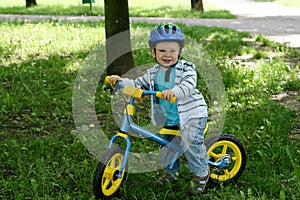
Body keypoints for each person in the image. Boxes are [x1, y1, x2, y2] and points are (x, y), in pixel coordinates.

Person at [108, 23, 209, 194]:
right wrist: (120, 82)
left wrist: (174, 91)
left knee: (191, 142)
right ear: (153, 52)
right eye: (162, 50)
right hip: (171, 119)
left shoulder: (186, 68)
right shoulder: (153, 72)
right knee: (165, 144)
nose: (167, 55)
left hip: (192, 114)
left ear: (180, 52)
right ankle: (172, 173)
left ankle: (201, 174)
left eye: (172, 50)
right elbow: (137, 83)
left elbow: (189, 85)